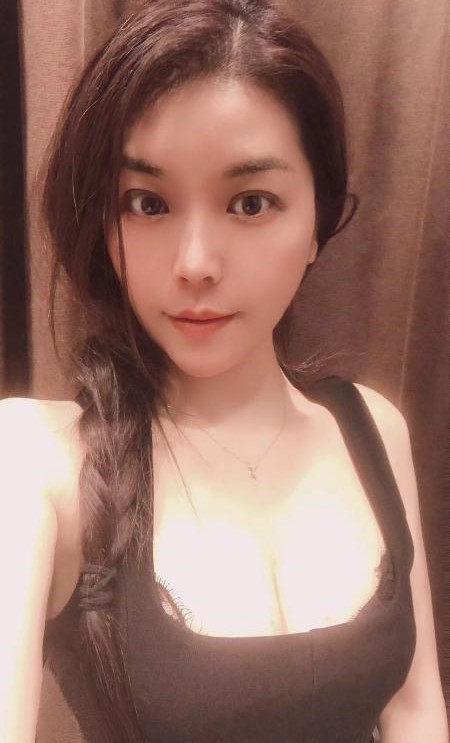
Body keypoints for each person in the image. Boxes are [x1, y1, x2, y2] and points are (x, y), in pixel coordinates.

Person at [0, 1, 447, 742]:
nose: (196, 263)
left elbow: (414, 709)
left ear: (317, 221)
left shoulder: (375, 429)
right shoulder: (35, 461)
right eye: (147, 203)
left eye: (250, 202)